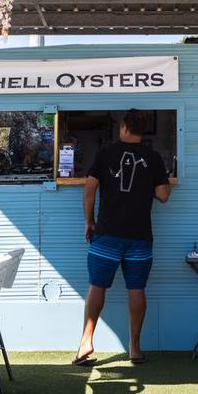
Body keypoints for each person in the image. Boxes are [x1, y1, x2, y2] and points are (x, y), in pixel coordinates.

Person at [74, 109, 171, 366]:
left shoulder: (106, 152)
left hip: (106, 233)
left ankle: (86, 343)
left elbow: (89, 190)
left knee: (97, 285)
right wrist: (147, 184)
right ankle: (135, 348)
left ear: (125, 127)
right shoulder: (153, 157)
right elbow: (163, 195)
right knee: (136, 289)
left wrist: (89, 221)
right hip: (140, 236)